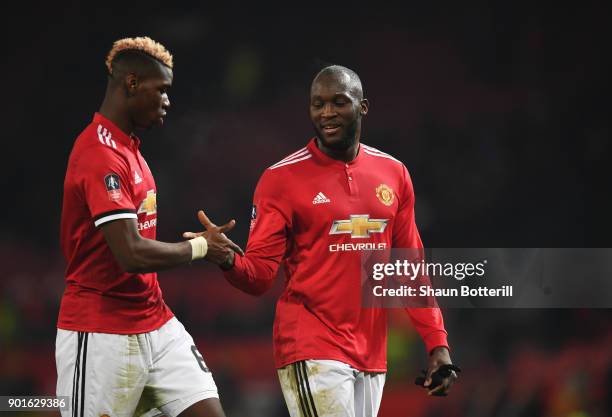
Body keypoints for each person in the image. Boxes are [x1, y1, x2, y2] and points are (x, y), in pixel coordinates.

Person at [187, 65, 458, 417]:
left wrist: (438, 344)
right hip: (311, 345)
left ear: (363, 107)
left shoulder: (394, 174)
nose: (327, 113)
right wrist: (224, 257)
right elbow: (259, 277)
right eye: (318, 104)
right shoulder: (281, 179)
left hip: (372, 354)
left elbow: (409, 270)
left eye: (338, 102)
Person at [57, 36, 243, 417]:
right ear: (131, 83)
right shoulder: (99, 154)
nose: (167, 102)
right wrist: (202, 248)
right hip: (100, 331)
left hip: (155, 323)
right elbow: (131, 253)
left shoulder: (131, 150)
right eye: (162, 90)